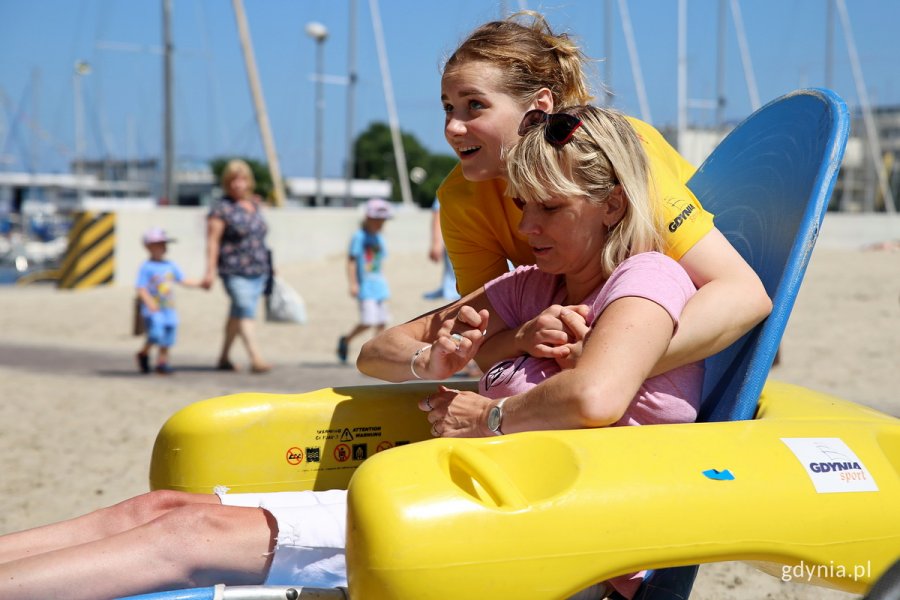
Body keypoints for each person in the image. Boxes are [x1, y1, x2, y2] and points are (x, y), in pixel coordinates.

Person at [0, 105, 702, 600]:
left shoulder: (646, 279)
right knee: (154, 510)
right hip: (440, 500)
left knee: (189, 535)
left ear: (611, 205)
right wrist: (482, 346)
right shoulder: (533, 288)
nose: (527, 225)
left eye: (548, 208)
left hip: (535, 528)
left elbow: (595, 398)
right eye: (521, 205)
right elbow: (381, 350)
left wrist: (481, 418)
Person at [437, 11, 771, 376]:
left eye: (475, 105)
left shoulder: (616, 153)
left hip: (689, 330)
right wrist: (526, 336)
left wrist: (612, 362)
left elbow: (744, 293)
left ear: (540, 106)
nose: (453, 127)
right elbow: (485, 342)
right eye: (448, 107)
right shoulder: (461, 199)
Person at [202, 159, 271, 374]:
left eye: (241, 179)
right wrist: (210, 271)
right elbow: (212, 241)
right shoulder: (221, 209)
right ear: (226, 183)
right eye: (233, 180)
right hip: (234, 270)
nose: (237, 184)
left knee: (237, 314)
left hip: (258, 269)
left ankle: (223, 357)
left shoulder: (254, 205)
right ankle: (256, 357)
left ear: (248, 181)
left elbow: (260, 238)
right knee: (245, 310)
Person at [134, 227, 203, 374]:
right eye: (159, 245)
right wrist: (149, 302)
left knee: (169, 335)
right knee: (156, 333)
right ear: (149, 247)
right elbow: (141, 288)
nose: (162, 248)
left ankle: (162, 362)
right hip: (153, 309)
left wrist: (200, 284)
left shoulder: (170, 265)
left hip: (168, 308)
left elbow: (183, 280)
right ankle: (144, 353)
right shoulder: (146, 267)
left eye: (164, 245)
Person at [336, 198, 394, 364]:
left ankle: (375, 353)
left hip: (380, 285)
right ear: (368, 218)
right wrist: (353, 283)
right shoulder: (359, 237)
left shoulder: (380, 238)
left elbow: (379, 263)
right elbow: (352, 260)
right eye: (378, 220)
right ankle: (346, 340)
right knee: (368, 321)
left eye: (383, 220)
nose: (381, 223)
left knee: (382, 321)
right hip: (365, 286)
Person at [422, 198, 461, 302]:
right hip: (455, 239)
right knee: (455, 272)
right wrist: (436, 243)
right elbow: (438, 212)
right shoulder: (449, 186)